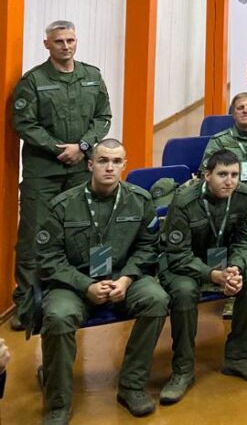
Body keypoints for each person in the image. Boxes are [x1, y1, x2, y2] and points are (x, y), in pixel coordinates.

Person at [37, 138, 167, 423]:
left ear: (124, 165)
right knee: (58, 316)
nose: (110, 167)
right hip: (74, 283)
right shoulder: (63, 205)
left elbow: (148, 247)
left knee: (156, 299)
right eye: (103, 161)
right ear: (90, 165)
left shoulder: (139, 200)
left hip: (122, 277)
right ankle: (58, 403)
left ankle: (132, 386)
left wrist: (126, 279)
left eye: (117, 161)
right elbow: (49, 258)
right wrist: (86, 285)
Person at [13, 20, 112, 325]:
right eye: (59, 41)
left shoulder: (92, 76)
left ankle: (87, 295)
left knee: (86, 231)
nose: (66, 46)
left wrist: (82, 147)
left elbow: (103, 116)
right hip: (43, 173)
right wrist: (59, 149)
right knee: (35, 237)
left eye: (70, 40)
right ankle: (27, 307)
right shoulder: (33, 81)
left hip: (81, 169)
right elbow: (24, 123)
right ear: (47, 45)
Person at [160, 150, 247, 405]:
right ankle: (183, 370)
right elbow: (178, 255)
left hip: (223, 262)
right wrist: (214, 275)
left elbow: (245, 240)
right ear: (207, 175)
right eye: (222, 174)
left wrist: (235, 268)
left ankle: (238, 357)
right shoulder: (184, 201)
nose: (229, 181)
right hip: (184, 264)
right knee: (184, 291)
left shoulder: (244, 197)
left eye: (234, 175)